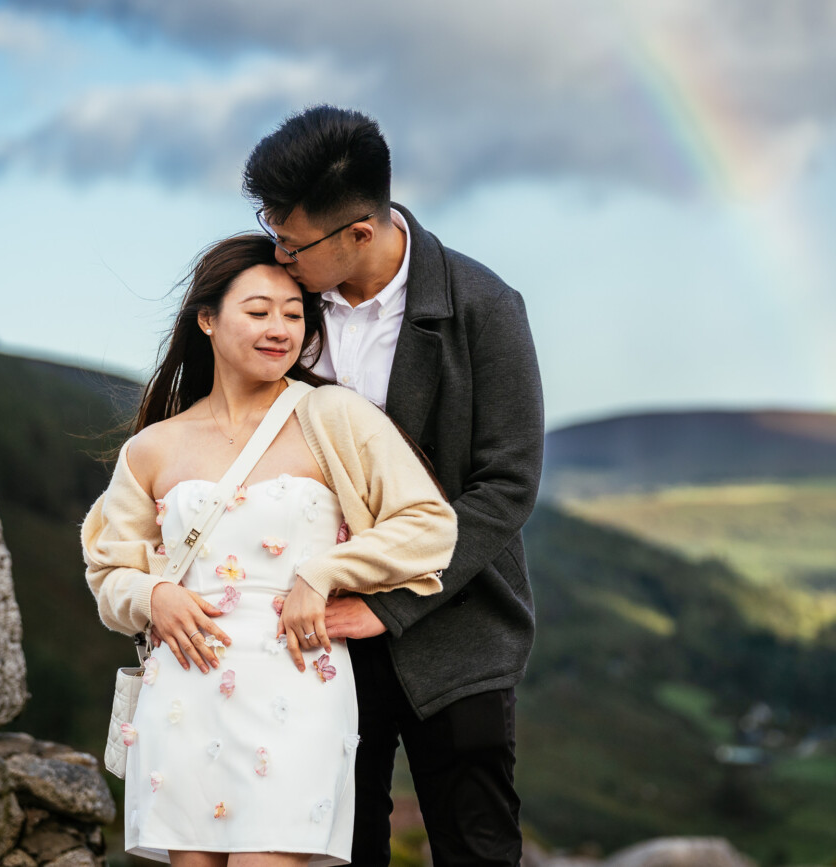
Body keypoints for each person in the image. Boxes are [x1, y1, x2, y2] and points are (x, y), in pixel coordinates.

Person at [81, 233, 457, 866]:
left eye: (294, 314)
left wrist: (324, 572)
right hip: (184, 691)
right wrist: (154, 594)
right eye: (258, 311)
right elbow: (108, 570)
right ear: (207, 319)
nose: (279, 329)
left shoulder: (334, 416)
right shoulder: (152, 447)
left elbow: (429, 524)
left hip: (297, 683)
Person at [242, 106, 544, 866]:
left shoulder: (484, 307)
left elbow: (506, 486)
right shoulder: (279, 305)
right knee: (334, 852)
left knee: (476, 850)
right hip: (315, 632)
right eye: (271, 230)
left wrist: (390, 603)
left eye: (292, 241)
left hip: (458, 627)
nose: (277, 253)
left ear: (359, 233)